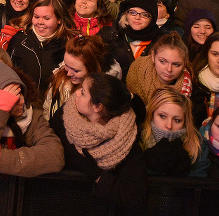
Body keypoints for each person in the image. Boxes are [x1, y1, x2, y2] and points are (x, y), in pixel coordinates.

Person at [49, 73, 147, 213]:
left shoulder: (126, 141)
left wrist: (99, 176)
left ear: (97, 107)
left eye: (83, 93)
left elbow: (135, 198)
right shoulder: (64, 117)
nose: (76, 93)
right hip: (58, 204)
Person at [0, 56, 65, 177]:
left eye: (19, 92)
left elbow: (55, 156)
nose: (21, 101)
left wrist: (1, 159)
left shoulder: (33, 116)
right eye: (11, 96)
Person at [6, 0, 72, 92]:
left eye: (46, 18)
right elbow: (8, 72)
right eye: (36, 17)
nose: (40, 22)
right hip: (24, 102)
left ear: (59, 20)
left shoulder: (68, 45)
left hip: (53, 104)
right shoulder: (19, 40)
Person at [140, 87, 206, 177]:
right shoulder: (138, 139)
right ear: (152, 114)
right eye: (162, 116)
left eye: (177, 120)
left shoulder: (197, 144)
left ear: (185, 122)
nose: (169, 126)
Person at [126, 32, 193, 107]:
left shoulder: (187, 88)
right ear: (153, 56)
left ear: (184, 63)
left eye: (176, 64)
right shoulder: (137, 69)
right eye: (162, 61)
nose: (169, 69)